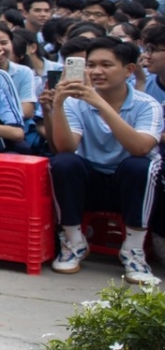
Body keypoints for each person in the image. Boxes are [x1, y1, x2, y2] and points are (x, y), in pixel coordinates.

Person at [46, 39, 159, 285]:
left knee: (141, 165)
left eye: (106, 65)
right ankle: (74, 241)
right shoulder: (76, 102)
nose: (96, 72)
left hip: (129, 186)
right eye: (91, 65)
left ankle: (133, 250)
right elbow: (66, 147)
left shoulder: (147, 105)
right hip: (90, 182)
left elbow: (140, 147)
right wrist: (59, 105)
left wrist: (99, 104)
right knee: (63, 162)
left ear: (129, 70)